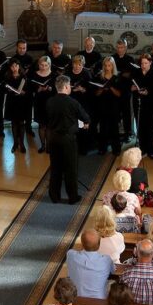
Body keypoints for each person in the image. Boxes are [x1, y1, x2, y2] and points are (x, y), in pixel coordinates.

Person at [47, 75, 91, 204]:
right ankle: (72, 197)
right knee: (70, 169)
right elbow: (86, 118)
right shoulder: (72, 102)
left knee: (55, 168)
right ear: (66, 86)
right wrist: (84, 123)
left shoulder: (49, 101)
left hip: (53, 138)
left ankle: (54, 196)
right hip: (68, 140)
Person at [132, 53, 153, 159]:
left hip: (151, 105)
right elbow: (131, 86)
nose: (143, 65)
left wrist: (148, 92)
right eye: (142, 63)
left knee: (150, 128)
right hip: (139, 103)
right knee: (140, 127)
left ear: (150, 63)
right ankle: (143, 148)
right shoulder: (136, 72)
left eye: (146, 63)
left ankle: (151, 150)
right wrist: (133, 88)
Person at [67, 230, 115, 299]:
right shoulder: (106, 260)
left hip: (75, 296)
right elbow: (113, 271)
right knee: (113, 282)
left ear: (82, 244)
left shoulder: (71, 255)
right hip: (99, 299)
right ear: (99, 245)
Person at [92, 56, 123, 156]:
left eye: (109, 65)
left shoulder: (117, 77)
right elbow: (96, 94)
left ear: (113, 66)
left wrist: (111, 88)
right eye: (105, 65)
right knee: (103, 128)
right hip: (102, 105)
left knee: (114, 128)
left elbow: (119, 94)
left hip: (114, 105)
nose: (107, 67)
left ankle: (116, 148)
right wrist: (102, 89)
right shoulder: (99, 77)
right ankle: (102, 148)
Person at [31, 56, 57, 153]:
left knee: (49, 126)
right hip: (39, 102)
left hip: (50, 102)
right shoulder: (34, 75)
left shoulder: (53, 75)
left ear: (49, 65)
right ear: (38, 65)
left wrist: (50, 89)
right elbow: (31, 88)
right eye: (41, 65)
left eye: (46, 65)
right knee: (42, 125)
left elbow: (57, 90)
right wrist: (39, 89)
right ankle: (42, 145)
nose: (43, 67)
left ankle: (49, 146)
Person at [5, 59, 30, 153]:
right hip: (12, 101)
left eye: (16, 66)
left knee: (21, 123)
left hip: (21, 102)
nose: (14, 68)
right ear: (10, 68)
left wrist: (24, 92)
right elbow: (5, 89)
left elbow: (28, 90)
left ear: (19, 66)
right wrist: (9, 90)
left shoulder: (24, 77)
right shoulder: (7, 77)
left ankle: (22, 144)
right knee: (14, 123)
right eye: (12, 66)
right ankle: (15, 143)